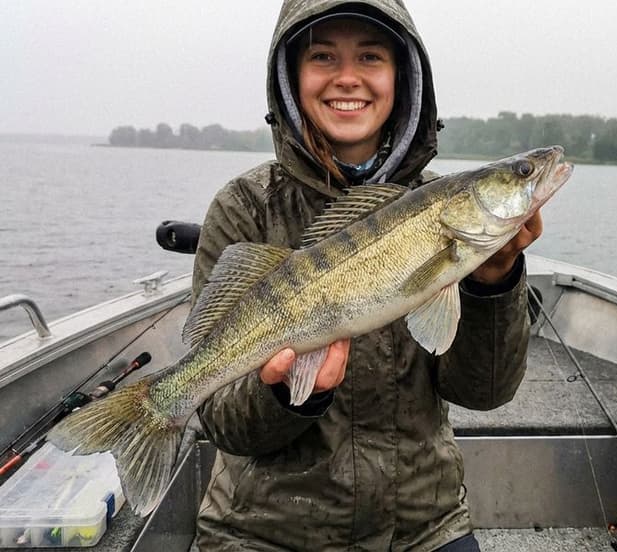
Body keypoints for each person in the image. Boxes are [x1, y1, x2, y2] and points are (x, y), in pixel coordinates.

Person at [192, 0, 542, 549]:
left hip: (422, 526)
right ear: (290, 77)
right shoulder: (244, 209)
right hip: (265, 532)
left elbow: (486, 393)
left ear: (403, 78)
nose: (348, 77)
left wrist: (491, 285)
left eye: (371, 57)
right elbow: (224, 423)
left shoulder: (445, 212)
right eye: (323, 56)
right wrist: (290, 396)